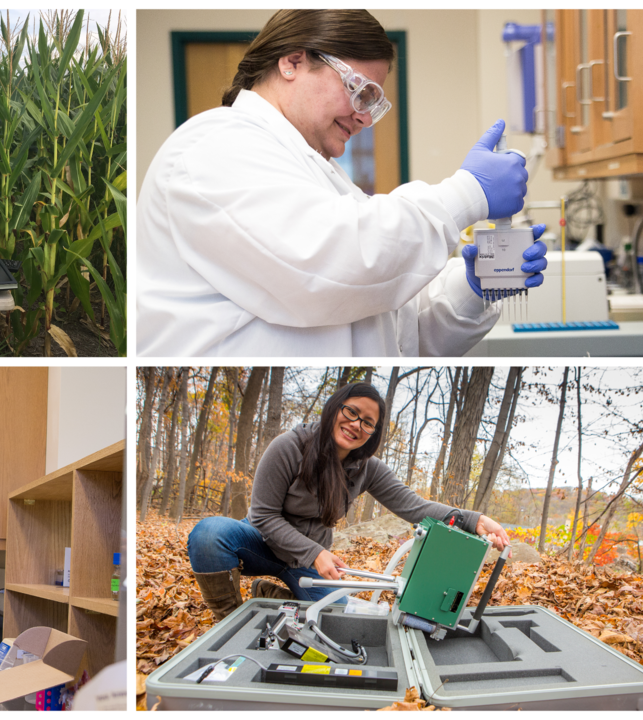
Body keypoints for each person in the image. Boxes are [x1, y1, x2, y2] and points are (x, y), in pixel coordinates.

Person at [137, 9, 548, 357]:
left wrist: (470, 289)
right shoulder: (215, 145)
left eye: (374, 102)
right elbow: (332, 265)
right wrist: (467, 192)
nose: (365, 117)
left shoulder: (315, 169)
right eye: (360, 91)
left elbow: (391, 331)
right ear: (292, 62)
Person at [187, 381, 511, 621]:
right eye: (352, 412)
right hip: (262, 543)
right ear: (334, 409)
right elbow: (263, 517)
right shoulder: (288, 447)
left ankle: (270, 598)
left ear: (373, 432)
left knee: (339, 620)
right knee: (208, 534)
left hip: (304, 563)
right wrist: (315, 553)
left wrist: (474, 520)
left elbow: (414, 506)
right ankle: (229, 621)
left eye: (368, 422)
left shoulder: (367, 469)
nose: (356, 424)